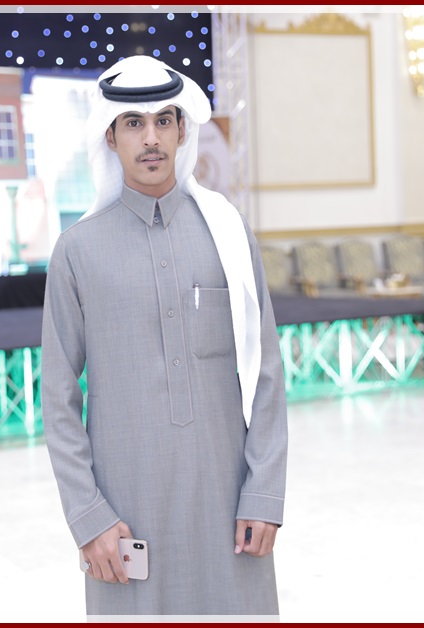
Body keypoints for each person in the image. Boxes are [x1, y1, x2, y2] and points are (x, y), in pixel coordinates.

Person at [40, 55, 288, 617]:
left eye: (163, 121)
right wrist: (89, 518)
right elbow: (57, 398)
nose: (150, 138)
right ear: (111, 136)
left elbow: (267, 373)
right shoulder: (76, 252)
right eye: (133, 123)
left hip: (231, 511)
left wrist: (264, 493)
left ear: (181, 131)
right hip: (126, 519)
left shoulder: (227, 234)